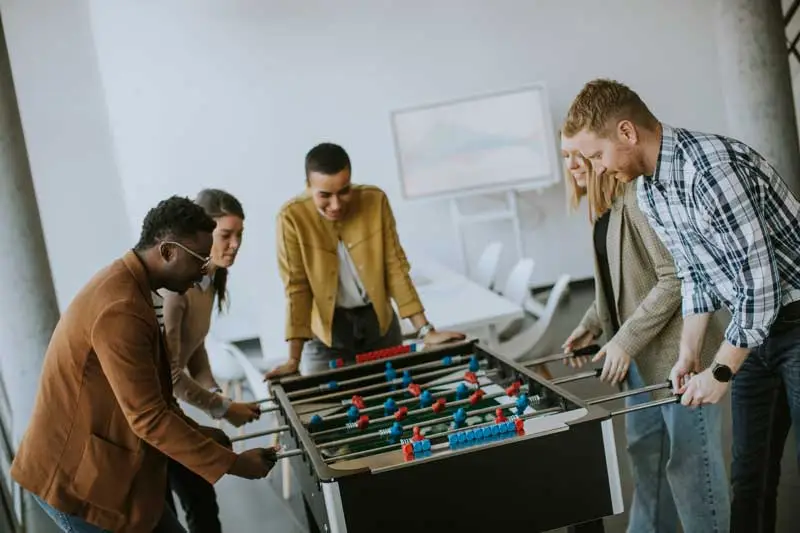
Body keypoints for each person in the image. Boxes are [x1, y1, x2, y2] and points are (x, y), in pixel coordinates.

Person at [563, 78, 800, 533]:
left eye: (596, 155)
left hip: (795, 319)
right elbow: (694, 276)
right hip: (754, 333)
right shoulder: (651, 188)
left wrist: (722, 371)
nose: (594, 167)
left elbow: (760, 284)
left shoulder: (710, 170)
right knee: (749, 478)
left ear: (627, 133)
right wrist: (689, 355)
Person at [11, 196, 277, 533]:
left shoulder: (133, 288)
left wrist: (210, 441)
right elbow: (149, 418)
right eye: (199, 259)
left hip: (109, 467)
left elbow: (158, 399)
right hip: (74, 481)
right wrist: (235, 464)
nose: (202, 272)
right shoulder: (121, 307)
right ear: (167, 251)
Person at [559, 139, 729, 532]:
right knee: (648, 460)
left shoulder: (637, 198)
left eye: (576, 154)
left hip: (680, 357)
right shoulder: (602, 211)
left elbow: (673, 280)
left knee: (692, 469)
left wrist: (623, 341)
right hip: (637, 360)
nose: (571, 165)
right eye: (564, 157)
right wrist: (593, 323)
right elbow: (623, 284)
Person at [266, 142, 465, 378]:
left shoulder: (375, 200)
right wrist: (293, 359)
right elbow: (297, 288)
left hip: (379, 326)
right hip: (325, 336)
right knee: (329, 409)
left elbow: (395, 268)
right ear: (309, 187)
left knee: (395, 398)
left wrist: (425, 330)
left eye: (344, 191)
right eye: (325, 196)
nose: (336, 204)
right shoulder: (290, 217)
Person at [162, 189, 262, 533]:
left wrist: (219, 395)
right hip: (144, 418)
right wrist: (220, 408)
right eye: (225, 235)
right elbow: (170, 372)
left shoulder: (210, 277)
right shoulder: (175, 290)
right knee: (169, 513)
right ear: (201, 237)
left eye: (239, 235)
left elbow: (195, 348)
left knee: (203, 505)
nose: (234, 244)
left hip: (165, 412)